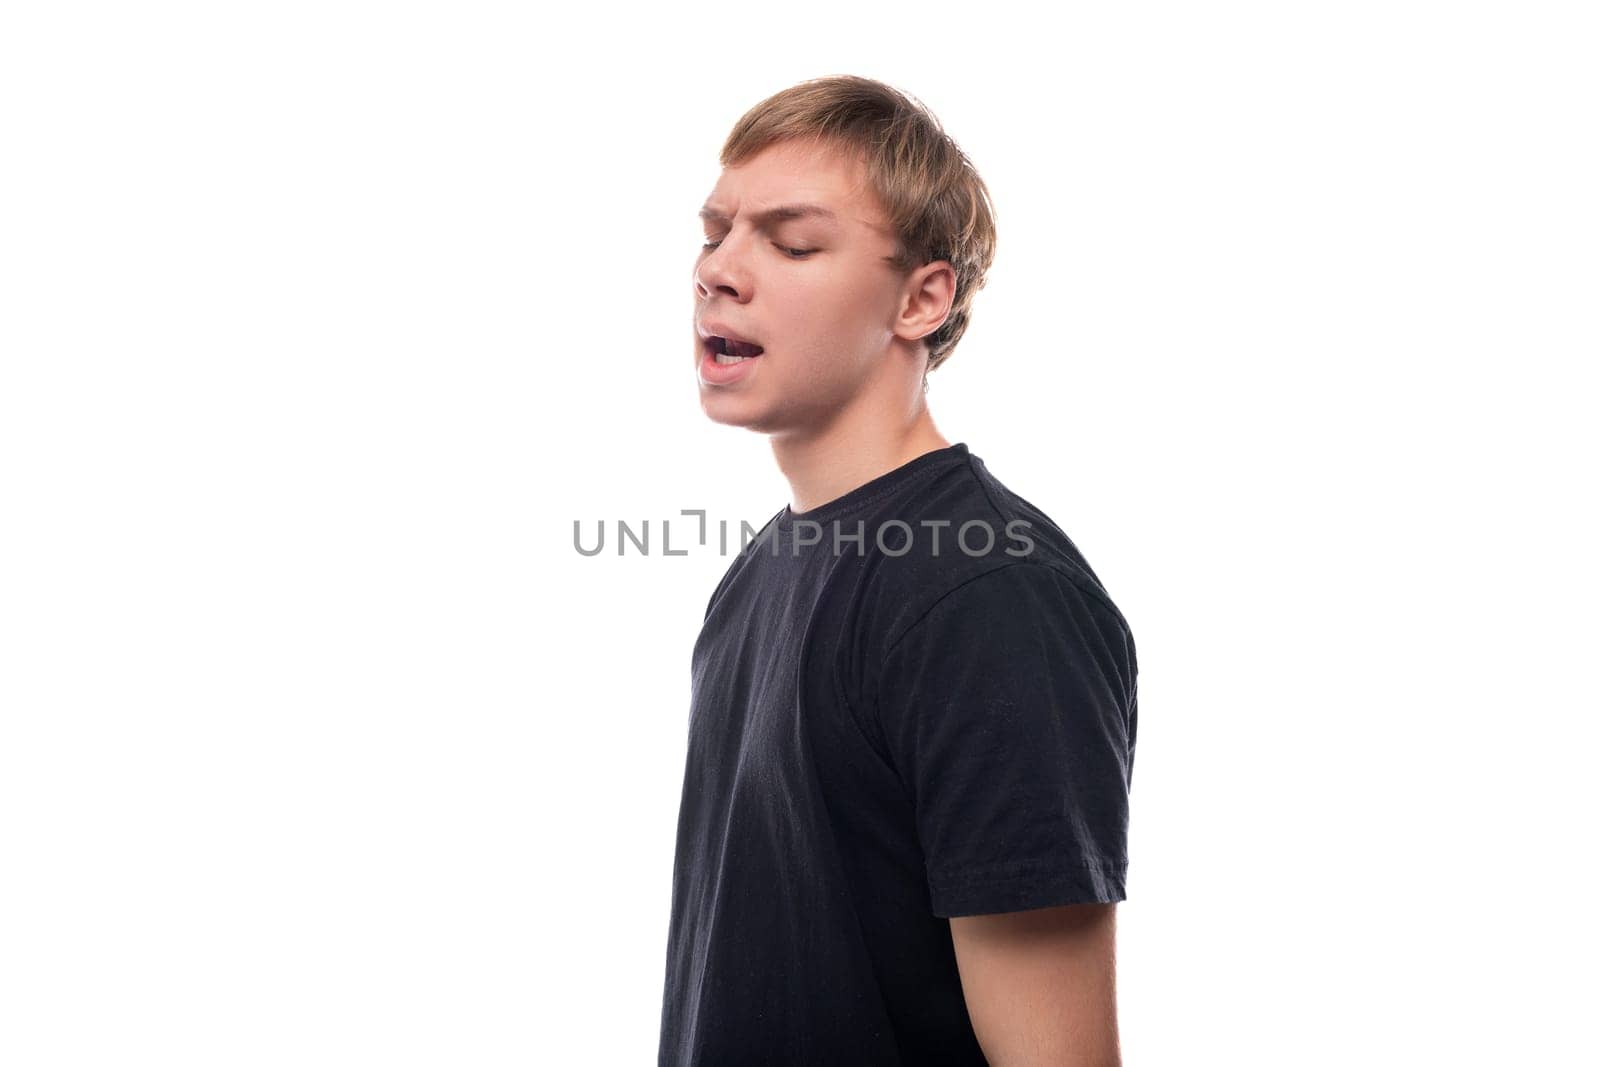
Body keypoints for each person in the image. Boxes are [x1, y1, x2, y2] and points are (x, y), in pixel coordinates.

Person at [659, 75, 1139, 1066]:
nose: (719, 271)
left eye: (791, 243)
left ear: (923, 297)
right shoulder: (754, 578)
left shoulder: (989, 595)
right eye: (715, 234)